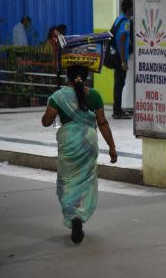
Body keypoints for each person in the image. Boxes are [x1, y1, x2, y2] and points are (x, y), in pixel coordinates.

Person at [41, 64, 118, 244]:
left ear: (67, 76)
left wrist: (52, 106)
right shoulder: (95, 96)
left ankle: (72, 214)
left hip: (68, 143)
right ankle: (80, 214)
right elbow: (103, 122)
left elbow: (46, 122)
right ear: (86, 76)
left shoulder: (58, 97)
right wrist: (112, 147)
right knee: (86, 180)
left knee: (66, 182)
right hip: (89, 143)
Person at [111, 0, 133, 119]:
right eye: (132, 7)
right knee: (120, 84)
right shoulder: (126, 22)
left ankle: (117, 110)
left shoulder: (119, 18)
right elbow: (122, 40)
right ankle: (117, 112)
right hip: (120, 58)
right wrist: (123, 60)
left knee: (117, 84)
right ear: (129, 8)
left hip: (116, 56)